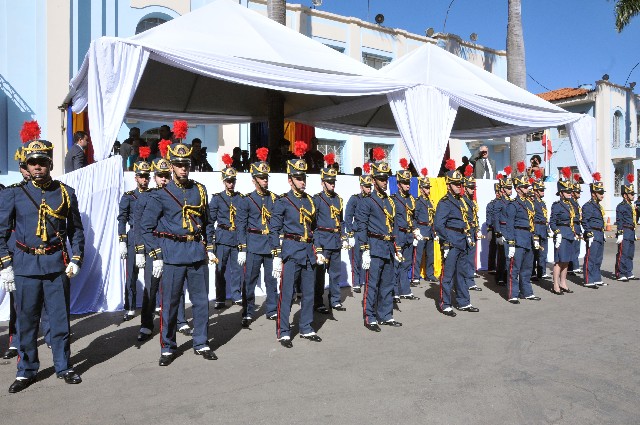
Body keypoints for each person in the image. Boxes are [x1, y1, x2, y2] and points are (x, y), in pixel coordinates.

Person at [0, 138, 84, 393]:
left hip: (56, 264)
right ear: (26, 165)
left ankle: (63, 366)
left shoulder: (66, 192)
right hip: (25, 266)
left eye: (42, 162)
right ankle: (26, 370)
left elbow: (76, 230)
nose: (37, 166)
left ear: (50, 164)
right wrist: (5, 264)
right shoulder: (14, 193)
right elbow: (1, 232)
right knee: (26, 321)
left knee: (59, 320)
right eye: (32, 162)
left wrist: (77, 258)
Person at [141, 141, 218, 366]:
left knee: (201, 302)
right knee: (170, 303)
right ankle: (167, 346)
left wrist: (209, 247)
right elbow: (146, 227)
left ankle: (201, 342)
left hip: (196, 252)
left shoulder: (199, 190)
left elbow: (207, 222)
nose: (183, 168)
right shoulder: (162, 195)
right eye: (179, 165)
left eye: (186, 164)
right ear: (171, 166)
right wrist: (156, 254)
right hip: (172, 254)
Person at [270, 145, 322, 347]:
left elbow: (315, 228)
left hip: (308, 252)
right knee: (287, 293)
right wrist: (276, 254)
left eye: (304, 178)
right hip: (291, 251)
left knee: (308, 293)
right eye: (299, 178)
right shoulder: (282, 201)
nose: (303, 182)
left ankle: (306, 327)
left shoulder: (311, 201)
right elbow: (274, 229)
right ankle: (283, 331)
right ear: (290, 180)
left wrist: (318, 250)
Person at [355, 148, 403, 330]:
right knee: (372, 284)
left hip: (388, 247)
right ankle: (370, 317)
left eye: (386, 179)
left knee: (388, 283)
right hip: (374, 246)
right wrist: (364, 249)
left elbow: (395, 226)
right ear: (373, 180)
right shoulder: (367, 201)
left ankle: (386, 315)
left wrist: (397, 247)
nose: (384, 182)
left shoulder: (390, 201)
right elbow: (361, 226)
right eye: (381, 179)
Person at [236, 148, 279, 327]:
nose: (265, 180)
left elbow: (277, 224)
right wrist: (242, 247)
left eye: (266, 177)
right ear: (254, 180)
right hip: (253, 244)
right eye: (261, 178)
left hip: (269, 244)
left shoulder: (275, 199)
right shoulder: (246, 200)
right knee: (249, 281)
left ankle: (272, 309)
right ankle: (247, 311)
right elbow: (240, 225)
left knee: (271, 280)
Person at [434, 159, 479, 316]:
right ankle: (445, 304)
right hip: (452, 241)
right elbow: (439, 225)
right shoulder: (445, 202)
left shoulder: (462, 201)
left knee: (462, 273)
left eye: (460, 184)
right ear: (448, 185)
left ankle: (464, 302)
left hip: (463, 240)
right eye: (455, 184)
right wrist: (447, 242)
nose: (459, 186)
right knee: (448, 275)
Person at [312, 153, 349, 313]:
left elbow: (341, 221)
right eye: (329, 181)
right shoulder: (317, 199)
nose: (332, 184)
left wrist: (344, 236)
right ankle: (318, 301)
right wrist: (317, 244)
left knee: (335, 274)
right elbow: (313, 224)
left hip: (335, 240)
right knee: (319, 275)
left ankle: (335, 300)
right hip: (322, 239)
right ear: (323, 183)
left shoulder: (338, 199)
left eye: (334, 181)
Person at [501, 163, 541, 303]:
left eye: (527, 186)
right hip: (518, 238)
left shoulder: (530, 203)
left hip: (528, 238)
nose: (527, 189)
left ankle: (527, 292)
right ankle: (513, 294)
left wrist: (535, 237)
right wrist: (511, 243)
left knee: (527, 268)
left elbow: (533, 221)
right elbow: (509, 225)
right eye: (524, 187)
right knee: (514, 269)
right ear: (518, 189)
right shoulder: (513, 205)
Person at [118, 156, 152, 322]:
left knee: (151, 275)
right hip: (132, 237)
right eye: (141, 176)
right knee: (131, 275)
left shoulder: (154, 195)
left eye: (146, 176)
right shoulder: (129, 196)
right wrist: (122, 240)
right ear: (136, 177)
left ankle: (152, 305)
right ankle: (130, 307)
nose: (144, 179)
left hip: (149, 237)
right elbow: (122, 219)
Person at [210, 154, 243, 309]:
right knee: (220, 269)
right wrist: (210, 240)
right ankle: (220, 298)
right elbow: (210, 221)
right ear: (223, 181)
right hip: (222, 237)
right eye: (228, 181)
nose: (231, 184)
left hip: (236, 237)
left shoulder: (240, 198)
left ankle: (236, 295)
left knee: (237, 269)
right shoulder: (217, 198)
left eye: (233, 181)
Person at [391, 158, 420, 301]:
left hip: (409, 235)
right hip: (398, 234)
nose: (408, 185)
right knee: (396, 264)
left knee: (406, 264)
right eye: (404, 182)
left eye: (408, 182)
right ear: (398, 184)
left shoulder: (412, 199)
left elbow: (414, 217)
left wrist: (415, 230)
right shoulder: (393, 199)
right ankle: (394, 291)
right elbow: (392, 221)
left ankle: (405, 290)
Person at [549, 167, 578, 295]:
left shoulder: (571, 205)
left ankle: (563, 283)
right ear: (561, 193)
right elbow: (552, 222)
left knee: (566, 261)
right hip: (561, 233)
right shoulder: (557, 205)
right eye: (566, 191)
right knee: (559, 261)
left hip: (569, 233)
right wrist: (557, 232)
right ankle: (555, 285)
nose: (569, 193)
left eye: (570, 191)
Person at [344, 165, 372, 293]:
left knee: (369, 257)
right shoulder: (355, 198)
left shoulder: (373, 199)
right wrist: (350, 233)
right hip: (358, 232)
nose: (369, 189)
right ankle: (356, 282)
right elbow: (348, 216)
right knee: (356, 259)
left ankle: (367, 280)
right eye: (366, 186)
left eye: (370, 186)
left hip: (370, 232)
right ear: (361, 187)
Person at [413, 168, 438, 283]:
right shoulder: (418, 202)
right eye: (426, 188)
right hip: (421, 228)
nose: (428, 190)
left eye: (429, 188)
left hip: (430, 229)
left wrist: (435, 230)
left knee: (430, 254)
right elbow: (414, 217)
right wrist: (416, 230)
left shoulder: (430, 201)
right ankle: (415, 276)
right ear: (421, 189)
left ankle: (430, 274)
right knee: (418, 255)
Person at [581, 172, 606, 288]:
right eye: (600, 193)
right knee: (591, 257)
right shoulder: (588, 206)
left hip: (599, 232)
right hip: (593, 233)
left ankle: (597, 278)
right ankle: (588, 279)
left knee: (598, 257)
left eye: (602, 193)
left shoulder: (599, 206)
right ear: (593, 194)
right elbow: (584, 221)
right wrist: (588, 232)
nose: (602, 195)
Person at [462, 166, 483, 291]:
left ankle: (470, 281)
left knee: (470, 257)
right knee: (465, 258)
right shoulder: (462, 201)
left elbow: (475, 216)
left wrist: (478, 228)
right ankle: (466, 281)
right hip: (466, 231)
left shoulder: (472, 201)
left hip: (472, 230)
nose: (472, 190)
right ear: (465, 188)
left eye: (473, 188)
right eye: (470, 187)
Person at [493, 167, 513, 286]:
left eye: (511, 188)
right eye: (508, 188)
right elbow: (496, 218)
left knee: (509, 255)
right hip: (503, 229)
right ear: (503, 189)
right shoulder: (499, 202)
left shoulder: (512, 201)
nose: (511, 190)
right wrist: (498, 232)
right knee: (503, 255)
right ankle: (500, 276)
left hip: (510, 230)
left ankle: (507, 276)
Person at [614, 174, 637, 281]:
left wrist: (634, 231)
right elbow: (619, 220)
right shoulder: (621, 206)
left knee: (630, 253)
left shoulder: (630, 206)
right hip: (625, 230)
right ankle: (620, 273)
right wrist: (620, 233)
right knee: (623, 253)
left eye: (633, 194)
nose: (633, 196)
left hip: (631, 230)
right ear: (625, 195)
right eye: (631, 194)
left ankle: (628, 271)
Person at [531, 172, 550, 280]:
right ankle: (532, 272)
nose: (543, 192)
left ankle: (542, 271)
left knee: (543, 252)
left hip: (543, 228)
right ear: (535, 191)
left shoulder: (542, 203)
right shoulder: (532, 202)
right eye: (541, 190)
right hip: (536, 228)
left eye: (543, 190)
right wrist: (534, 233)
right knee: (535, 252)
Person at [568, 177, 583, 275]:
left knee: (576, 248)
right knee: (572, 248)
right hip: (573, 227)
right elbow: (572, 216)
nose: (579, 194)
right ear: (572, 193)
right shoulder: (570, 202)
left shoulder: (576, 202)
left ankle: (573, 267)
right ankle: (573, 267)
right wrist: (579, 218)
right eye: (577, 192)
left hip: (577, 227)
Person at [485, 182, 502, 274]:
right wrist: (489, 230)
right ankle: (491, 268)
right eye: (497, 192)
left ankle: (501, 268)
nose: (498, 193)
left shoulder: (506, 203)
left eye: (499, 191)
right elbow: (489, 217)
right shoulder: (491, 204)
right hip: (494, 228)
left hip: (503, 229)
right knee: (493, 248)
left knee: (502, 250)